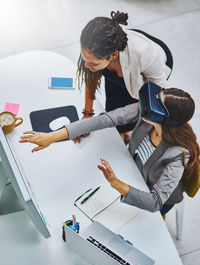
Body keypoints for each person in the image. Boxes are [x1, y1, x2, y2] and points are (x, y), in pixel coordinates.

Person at [19, 82, 200, 215]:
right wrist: (52, 137)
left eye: (156, 104)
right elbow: (106, 119)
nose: (147, 104)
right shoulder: (146, 114)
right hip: (131, 170)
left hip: (150, 193)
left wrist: (116, 184)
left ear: (164, 118)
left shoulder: (179, 154)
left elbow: (155, 202)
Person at [76, 11, 173, 144]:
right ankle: (121, 132)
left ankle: (126, 133)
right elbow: (90, 77)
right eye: (85, 59)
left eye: (93, 63)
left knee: (134, 103)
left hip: (152, 66)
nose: (86, 65)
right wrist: (87, 114)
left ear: (113, 55)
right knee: (114, 101)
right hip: (118, 62)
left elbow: (160, 97)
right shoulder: (92, 48)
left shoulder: (146, 55)